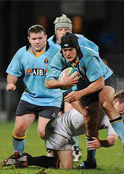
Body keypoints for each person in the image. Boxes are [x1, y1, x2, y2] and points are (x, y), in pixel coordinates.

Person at [45, 33, 124, 164]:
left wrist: (79, 94)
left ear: (77, 48)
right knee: (90, 118)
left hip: (104, 78)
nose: (67, 53)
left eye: (70, 50)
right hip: (83, 83)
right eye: (64, 50)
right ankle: (91, 160)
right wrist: (62, 83)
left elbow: (99, 83)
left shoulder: (89, 56)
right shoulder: (59, 58)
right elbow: (48, 83)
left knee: (105, 103)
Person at [15, 90, 124, 169]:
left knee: (56, 161)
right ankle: (28, 160)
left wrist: (100, 143)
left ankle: (26, 159)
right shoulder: (96, 104)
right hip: (59, 129)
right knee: (66, 167)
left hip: (65, 133)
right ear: (115, 101)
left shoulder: (114, 119)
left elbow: (112, 139)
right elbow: (72, 97)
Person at [2, 25, 62, 166]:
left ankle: (59, 154)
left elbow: (68, 70)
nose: (37, 41)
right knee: (19, 129)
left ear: (46, 38)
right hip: (29, 97)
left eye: (40, 38)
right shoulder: (22, 53)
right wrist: (11, 83)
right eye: (34, 38)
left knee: (43, 132)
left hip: (51, 98)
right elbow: (12, 73)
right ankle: (18, 156)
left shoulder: (57, 52)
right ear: (29, 39)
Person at [48, 14, 100, 161]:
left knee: (70, 117)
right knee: (52, 121)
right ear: (55, 31)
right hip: (53, 88)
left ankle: (76, 149)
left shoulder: (80, 40)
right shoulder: (47, 44)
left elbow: (95, 50)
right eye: (60, 29)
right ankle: (54, 150)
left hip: (73, 87)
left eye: (66, 29)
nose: (63, 32)